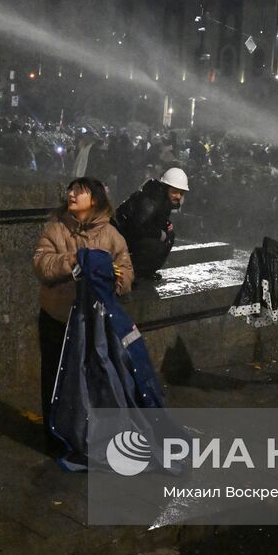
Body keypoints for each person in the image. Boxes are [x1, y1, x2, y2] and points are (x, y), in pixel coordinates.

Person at [32, 178, 134, 442]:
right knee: (55, 379)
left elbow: (126, 275)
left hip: (93, 323)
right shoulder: (56, 229)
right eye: (71, 190)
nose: (72, 194)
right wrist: (74, 260)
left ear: (96, 200)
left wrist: (114, 278)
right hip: (58, 318)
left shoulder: (112, 236)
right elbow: (42, 265)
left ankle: (86, 437)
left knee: (90, 380)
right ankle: (55, 437)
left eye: (80, 191)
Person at [114, 167, 189, 278]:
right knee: (155, 246)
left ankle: (145, 272)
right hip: (121, 236)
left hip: (128, 234)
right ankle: (129, 273)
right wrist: (160, 234)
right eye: (174, 192)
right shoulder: (151, 200)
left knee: (169, 237)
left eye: (181, 193)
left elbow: (154, 220)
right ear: (165, 188)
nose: (178, 196)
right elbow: (136, 228)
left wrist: (165, 226)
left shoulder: (161, 199)